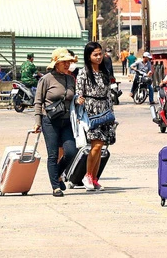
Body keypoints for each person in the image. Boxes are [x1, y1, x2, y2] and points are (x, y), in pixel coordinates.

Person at [32, 48, 77, 197]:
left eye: (68, 62)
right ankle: (55, 187)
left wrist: (78, 100)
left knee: (71, 152)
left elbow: (72, 98)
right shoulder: (46, 79)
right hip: (49, 121)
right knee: (53, 155)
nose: (66, 65)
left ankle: (56, 174)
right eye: (63, 62)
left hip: (66, 121)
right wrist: (37, 122)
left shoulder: (70, 79)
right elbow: (38, 102)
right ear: (56, 63)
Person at [76, 41, 117, 191]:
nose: (99, 57)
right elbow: (79, 92)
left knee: (101, 147)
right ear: (88, 56)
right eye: (95, 54)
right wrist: (80, 107)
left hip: (104, 111)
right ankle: (87, 175)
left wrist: (111, 114)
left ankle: (94, 178)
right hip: (90, 111)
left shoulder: (104, 71)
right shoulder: (83, 73)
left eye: (100, 54)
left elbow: (108, 95)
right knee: (96, 144)